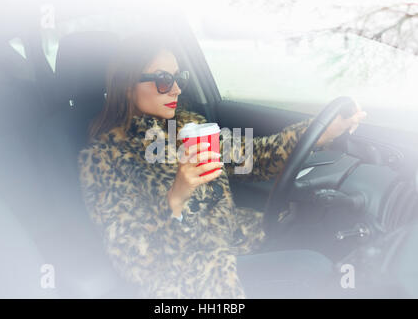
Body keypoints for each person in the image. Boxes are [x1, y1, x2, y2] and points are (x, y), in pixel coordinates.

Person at [78, 31, 367, 298]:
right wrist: (175, 198)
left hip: (237, 240)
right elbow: (134, 260)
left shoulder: (190, 126)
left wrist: (323, 131)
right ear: (129, 86)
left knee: (331, 233)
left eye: (180, 78)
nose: (177, 89)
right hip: (189, 274)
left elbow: (254, 157)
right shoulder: (103, 159)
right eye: (164, 79)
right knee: (312, 269)